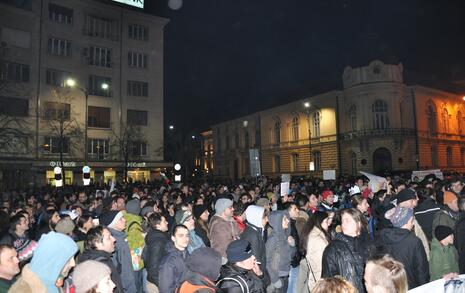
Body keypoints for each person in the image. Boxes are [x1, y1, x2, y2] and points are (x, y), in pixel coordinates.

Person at [377, 206, 429, 289]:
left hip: (391, 286)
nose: (412, 223)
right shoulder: (414, 241)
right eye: (412, 220)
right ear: (405, 221)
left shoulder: (383, 237)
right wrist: (425, 288)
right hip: (411, 287)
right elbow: (421, 270)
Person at [9, 231, 77, 293]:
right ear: (53, 260)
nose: (73, 264)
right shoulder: (24, 290)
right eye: (68, 259)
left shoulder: (50, 278)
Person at [321, 208, 371, 293]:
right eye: (342, 221)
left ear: (358, 224)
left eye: (347, 220)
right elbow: (327, 280)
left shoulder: (369, 244)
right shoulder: (333, 248)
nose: (343, 224)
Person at [78, 226, 123, 293]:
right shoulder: (103, 264)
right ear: (98, 243)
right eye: (109, 238)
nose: (114, 239)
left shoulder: (86, 258)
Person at [99, 211, 136, 293]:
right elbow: (124, 270)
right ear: (113, 223)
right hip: (126, 286)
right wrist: (130, 288)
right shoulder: (116, 242)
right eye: (120, 219)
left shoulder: (119, 236)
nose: (125, 220)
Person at [297, 211, 332, 292]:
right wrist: (325, 287)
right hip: (320, 283)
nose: (328, 224)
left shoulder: (314, 234)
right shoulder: (318, 240)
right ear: (319, 222)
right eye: (326, 221)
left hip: (317, 282)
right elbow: (320, 267)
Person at [266, 210, 295, 292]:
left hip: (286, 275)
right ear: (278, 221)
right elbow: (266, 261)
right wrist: (275, 279)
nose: (288, 221)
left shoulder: (285, 236)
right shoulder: (273, 239)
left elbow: (291, 256)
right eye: (285, 219)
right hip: (277, 277)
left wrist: (292, 245)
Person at [158, 224, 190, 293]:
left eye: (187, 235)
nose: (185, 239)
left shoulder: (187, 254)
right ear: (173, 238)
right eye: (181, 236)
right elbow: (165, 290)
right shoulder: (168, 262)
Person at [143, 213, 170, 293]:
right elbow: (153, 269)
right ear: (158, 225)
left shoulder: (159, 236)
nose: (167, 223)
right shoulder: (158, 241)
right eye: (164, 221)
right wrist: (163, 286)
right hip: (157, 284)